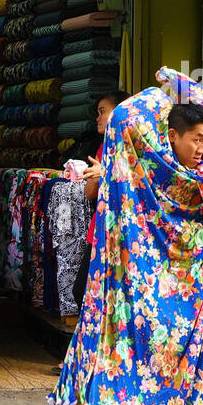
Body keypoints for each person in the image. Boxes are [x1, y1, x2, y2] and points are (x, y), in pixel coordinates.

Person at [51, 68, 203, 405]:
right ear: (172, 136)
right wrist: (164, 91)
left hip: (199, 271)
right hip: (154, 270)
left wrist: (182, 86)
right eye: (196, 140)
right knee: (162, 346)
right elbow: (125, 118)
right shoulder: (144, 171)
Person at [74, 90, 130, 304]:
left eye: (102, 111)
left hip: (125, 233)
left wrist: (104, 173)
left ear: (120, 113)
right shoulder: (103, 147)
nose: (98, 118)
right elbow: (89, 192)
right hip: (100, 229)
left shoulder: (133, 147)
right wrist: (100, 174)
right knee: (82, 292)